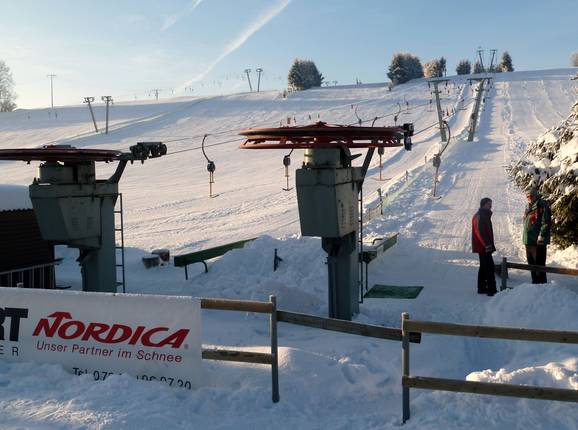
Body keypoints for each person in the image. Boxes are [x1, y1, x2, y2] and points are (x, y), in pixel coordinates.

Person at [523, 188, 551, 284]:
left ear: (536, 196)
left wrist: (541, 235)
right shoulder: (528, 206)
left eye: (530, 196)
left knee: (539, 264)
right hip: (528, 240)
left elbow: (546, 222)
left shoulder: (541, 205)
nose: (528, 198)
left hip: (537, 241)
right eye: (527, 196)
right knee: (531, 264)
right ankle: (535, 284)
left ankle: (541, 285)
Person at [472, 198, 497, 296]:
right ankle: (491, 290)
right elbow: (480, 232)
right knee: (489, 267)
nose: (491, 206)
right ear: (483, 204)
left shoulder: (483, 215)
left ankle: (481, 288)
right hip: (483, 247)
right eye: (489, 204)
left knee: (483, 267)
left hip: (483, 246)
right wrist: (487, 245)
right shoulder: (480, 216)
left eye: (491, 203)